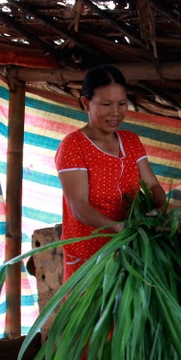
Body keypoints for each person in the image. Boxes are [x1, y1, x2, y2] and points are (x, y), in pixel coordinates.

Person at [55, 64, 168, 281]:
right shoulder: (74, 146)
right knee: (94, 313)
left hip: (131, 251)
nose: (116, 112)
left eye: (122, 104)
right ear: (86, 103)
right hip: (89, 255)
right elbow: (78, 206)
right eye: (106, 104)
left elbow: (153, 185)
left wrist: (161, 206)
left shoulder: (131, 141)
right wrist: (118, 227)